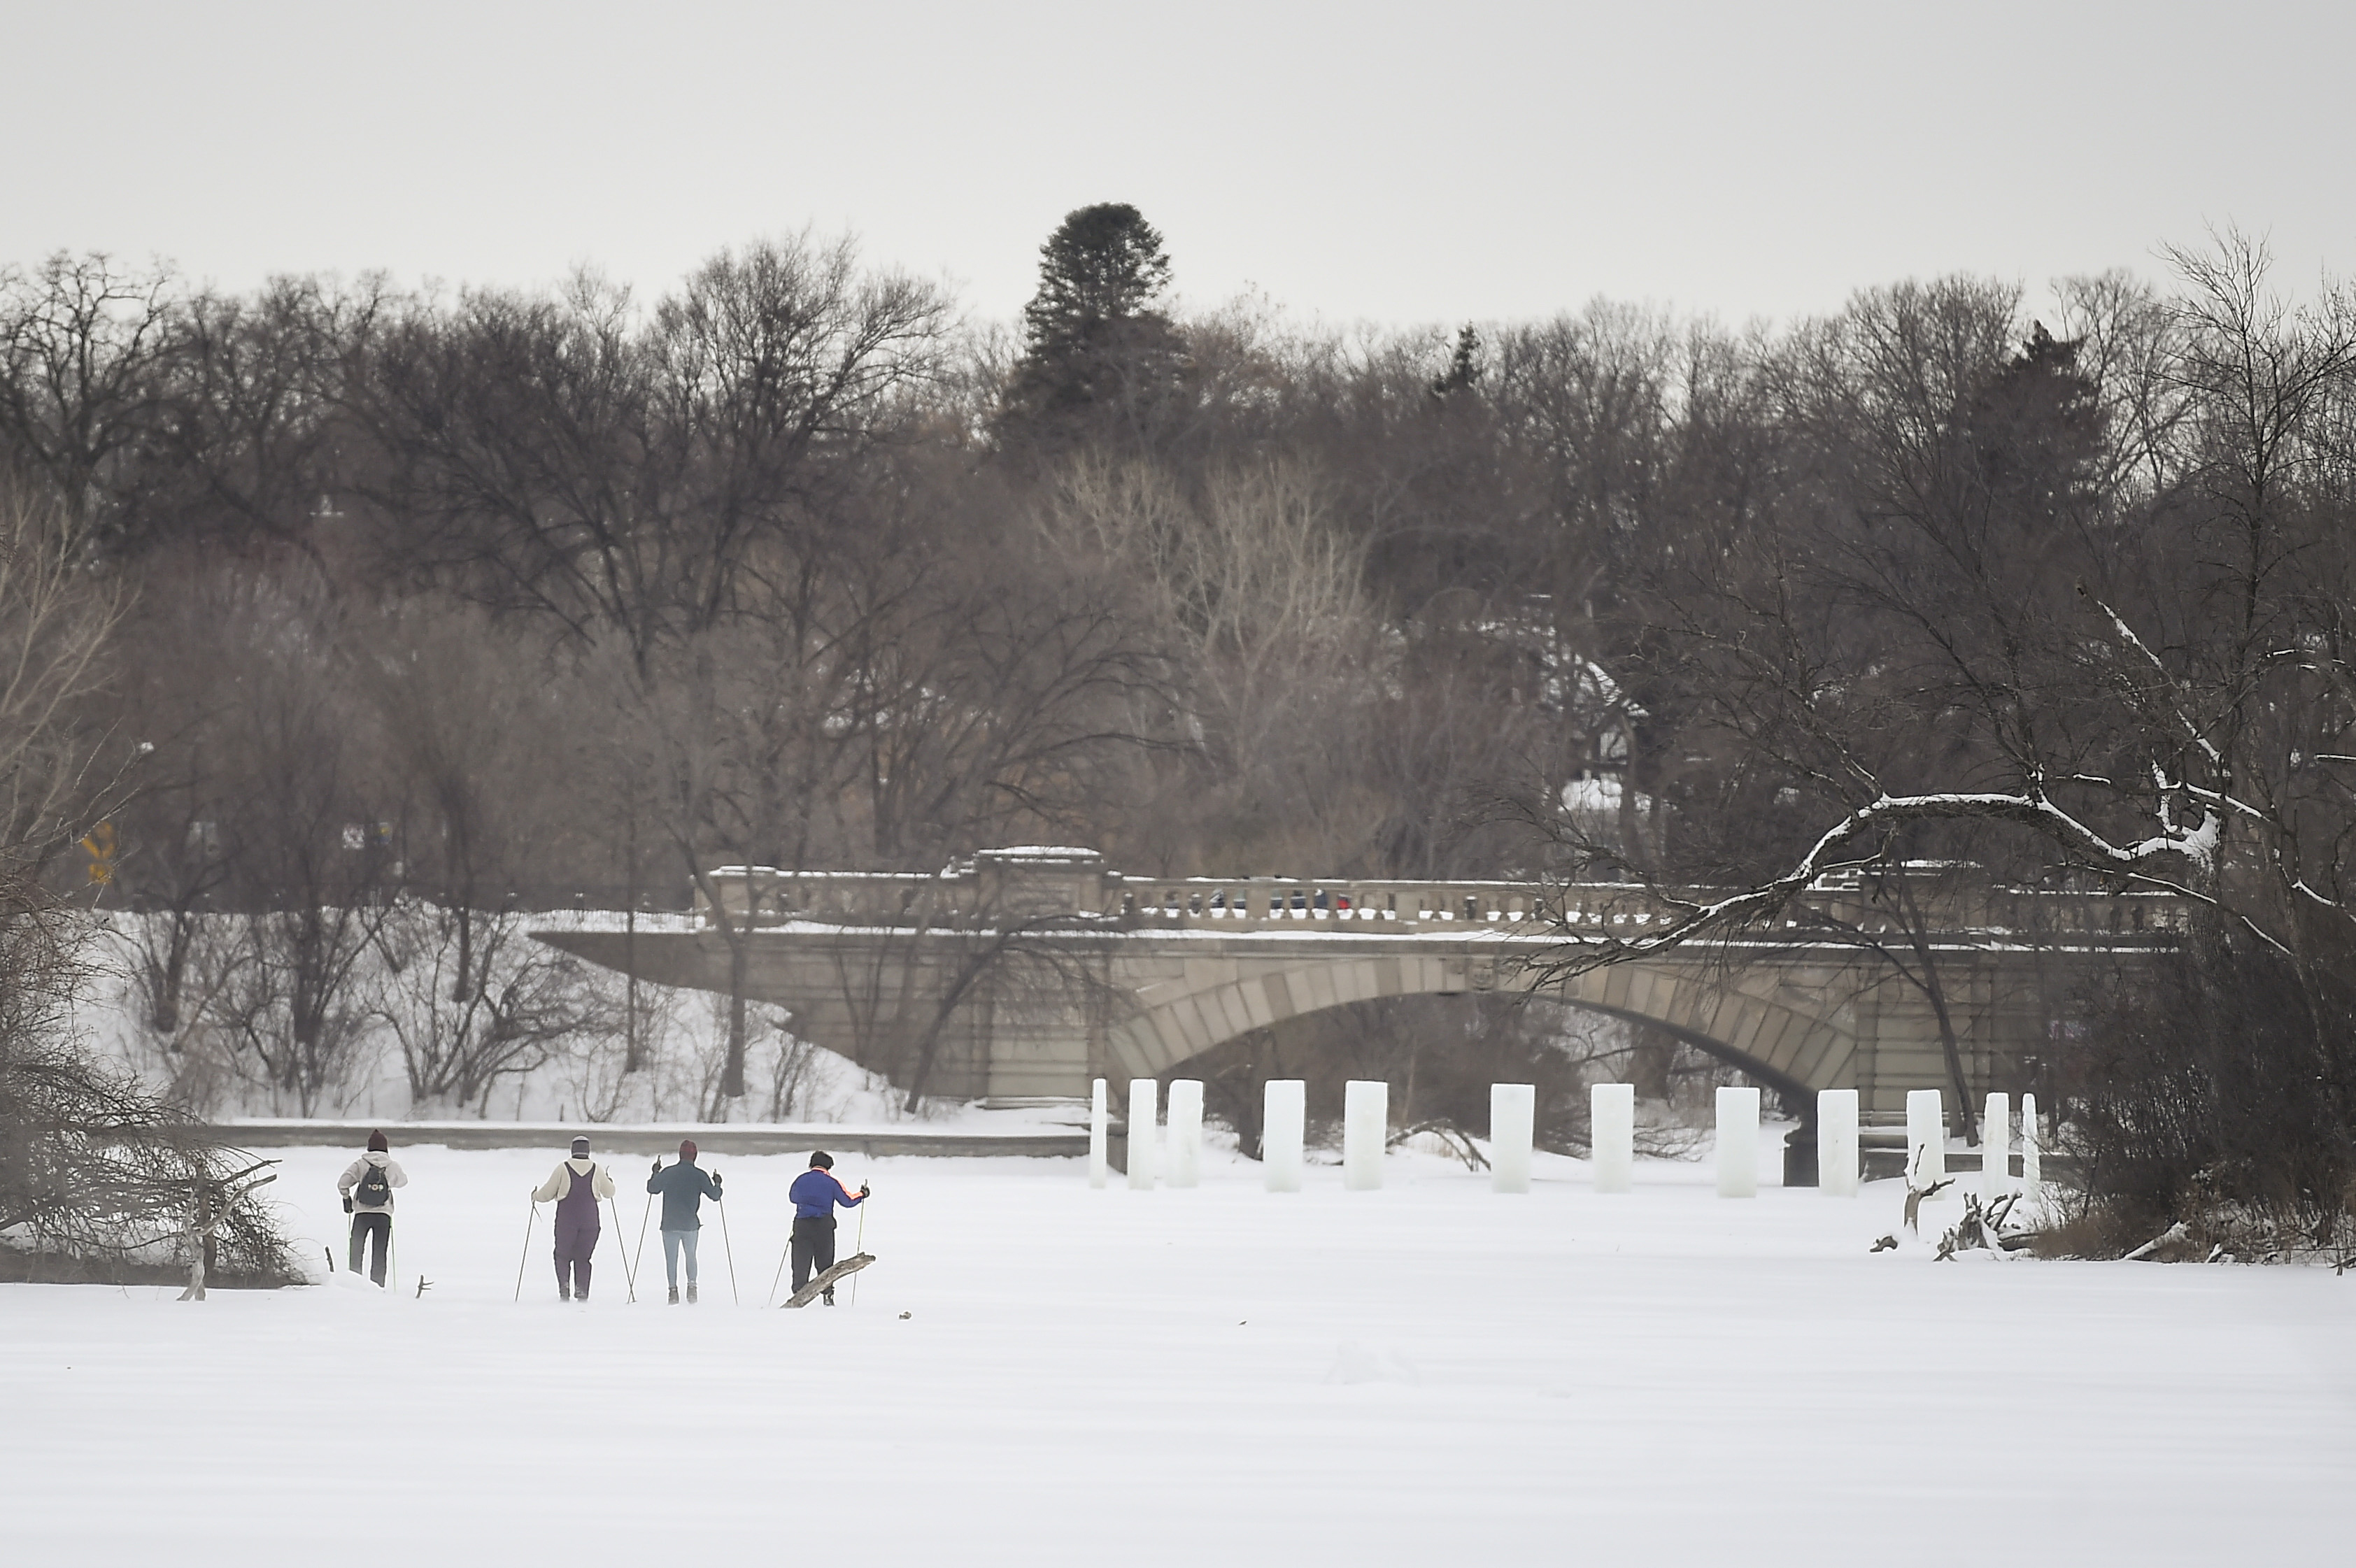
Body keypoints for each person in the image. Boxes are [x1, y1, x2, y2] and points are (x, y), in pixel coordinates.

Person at [531, 1135, 616, 1302]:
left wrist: (535, 1195)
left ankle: (565, 1287)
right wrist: (609, 1181)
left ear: (572, 1150)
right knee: (584, 1257)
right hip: (590, 1220)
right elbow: (610, 1192)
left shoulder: (563, 1168)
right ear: (588, 1151)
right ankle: (582, 1289)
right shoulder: (596, 1169)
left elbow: (546, 1193)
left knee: (562, 1255)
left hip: (566, 1219)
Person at [646, 1139, 723, 1304]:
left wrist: (655, 1173)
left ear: (680, 1155)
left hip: (669, 1224)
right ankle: (692, 1288)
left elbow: (652, 1188)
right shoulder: (700, 1175)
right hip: (690, 1225)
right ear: (694, 1156)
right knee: (691, 1256)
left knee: (671, 1259)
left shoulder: (668, 1172)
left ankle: (673, 1292)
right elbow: (715, 1196)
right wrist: (717, 1182)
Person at [788, 1150, 868, 1305]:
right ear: (828, 1167)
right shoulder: (831, 1182)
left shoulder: (801, 1180)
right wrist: (862, 1194)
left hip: (802, 1224)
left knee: (800, 1261)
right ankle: (828, 1295)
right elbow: (848, 1201)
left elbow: (793, 1198)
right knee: (825, 1262)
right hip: (824, 1226)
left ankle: (798, 1294)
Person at [335, 1131, 408, 1287]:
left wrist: (346, 1199)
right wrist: (387, 1185)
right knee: (380, 1253)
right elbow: (403, 1182)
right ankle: (378, 1286)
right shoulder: (392, 1165)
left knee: (356, 1250)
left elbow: (342, 1183)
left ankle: (355, 1284)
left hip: (362, 1213)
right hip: (383, 1214)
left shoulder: (361, 1164)